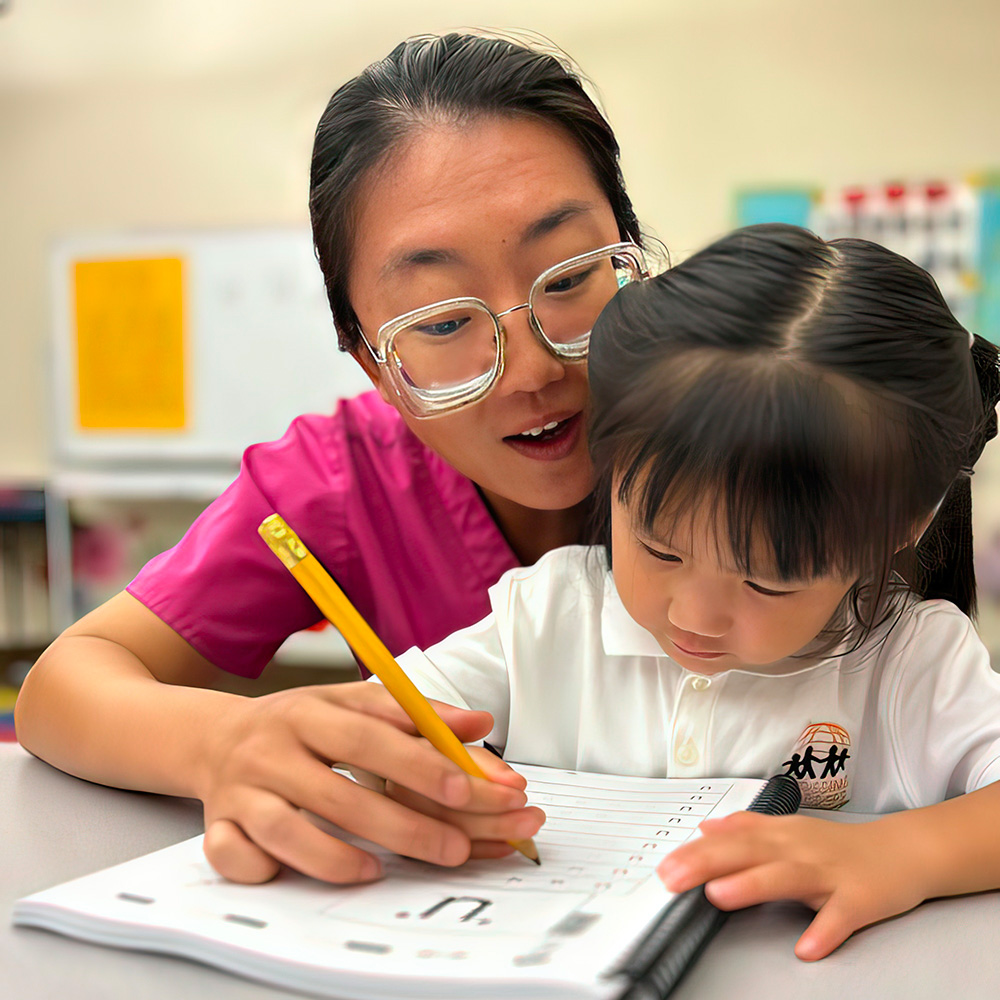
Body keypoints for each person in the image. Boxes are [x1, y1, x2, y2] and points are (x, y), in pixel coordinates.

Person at [14, 33, 647, 884]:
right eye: (443, 322)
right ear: (374, 367)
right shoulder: (342, 480)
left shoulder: (749, 417)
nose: (532, 370)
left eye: (569, 279)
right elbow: (64, 686)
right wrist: (225, 743)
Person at [378, 224, 1000, 960]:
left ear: (904, 523)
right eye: (660, 549)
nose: (692, 615)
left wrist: (903, 855)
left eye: (769, 581)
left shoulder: (909, 661)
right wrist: (415, 781)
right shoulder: (547, 617)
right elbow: (381, 729)